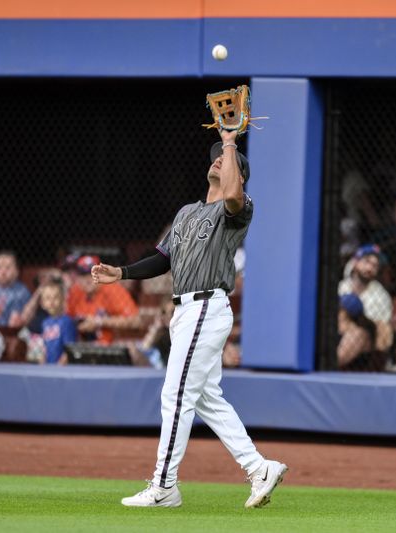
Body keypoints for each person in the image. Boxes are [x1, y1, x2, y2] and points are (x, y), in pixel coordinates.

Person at [92, 130, 287, 509]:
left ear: (239, 174)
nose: (218, 159)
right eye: (215, 154)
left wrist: (230, 142)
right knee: (206, 398)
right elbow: (162, 258)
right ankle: (259, 468)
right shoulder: (186, 212)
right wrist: (123, 273)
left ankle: (164, 486)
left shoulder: (239, 207)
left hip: (206, 306)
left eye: (227, 160)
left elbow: (232, 195)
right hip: (184, 311)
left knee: (175, 395)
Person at [66, 255, 140, 345]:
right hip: (82, 345)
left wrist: (99, 322)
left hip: (111, 346)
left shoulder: (113, 290)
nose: (87, 279)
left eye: (92, 274)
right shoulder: (75, 292)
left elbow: (136, 321)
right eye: (83, 275)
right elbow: (67, 319)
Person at [338, 244, 393, 352]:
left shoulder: (381, 296)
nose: (370, 268)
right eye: (367, 261)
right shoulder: (341, 287)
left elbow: (376, 329)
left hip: (364, 341)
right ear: (355, 262)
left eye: (375, 266)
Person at [0, 250, 31, 328]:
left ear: (17, 271)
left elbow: (19, 320)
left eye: (8, 267)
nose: (3, 272)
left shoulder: (21, 292)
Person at [38, 281, 77, 364]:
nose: (52, 301)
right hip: (49, 367)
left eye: (56, 297)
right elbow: (45, 347)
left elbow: (69, 349)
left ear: (63, 300)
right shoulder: (45, 323)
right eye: (48, 298)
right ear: (42, 303)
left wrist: (59, 367)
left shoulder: (66, 322)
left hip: (61, 368)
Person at [336, 293, 377, 369]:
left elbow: (339, 359)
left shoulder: (358, 333)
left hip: (351, 376)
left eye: (338, 309)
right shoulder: (338, 329)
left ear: (345, 313)